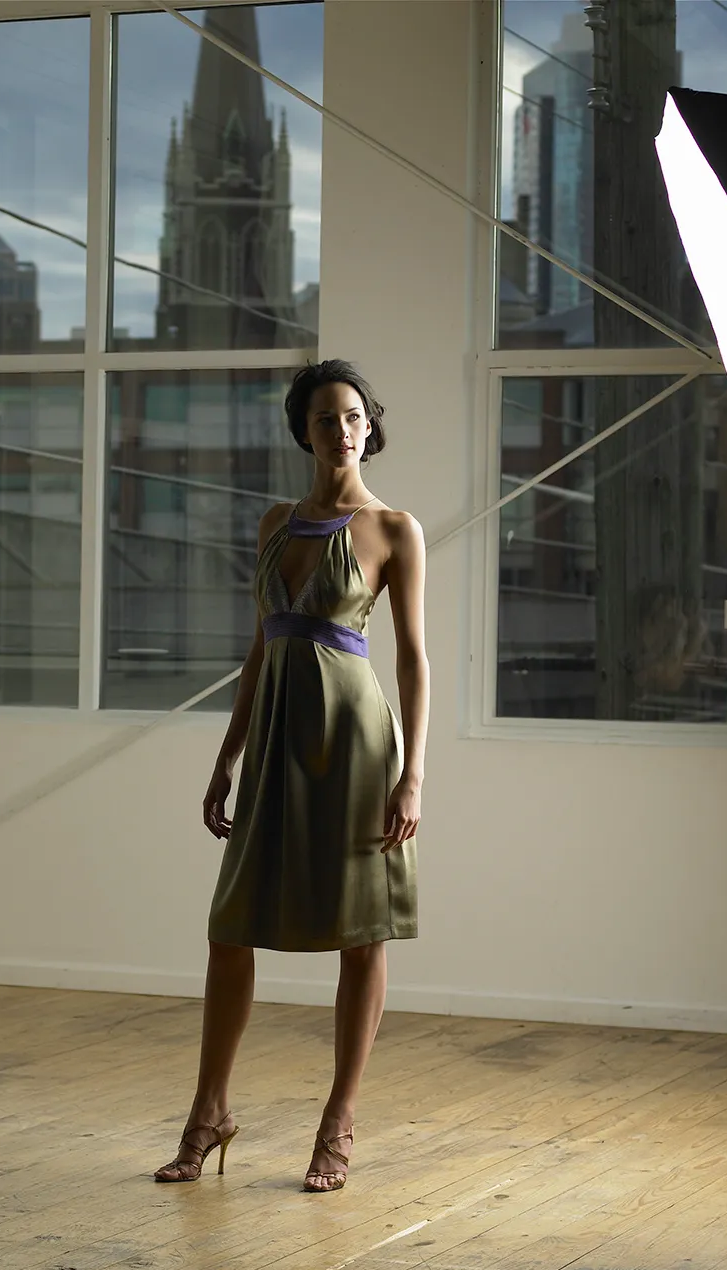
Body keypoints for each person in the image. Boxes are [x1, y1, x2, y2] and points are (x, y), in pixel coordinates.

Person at [155, 359, 428, 1193]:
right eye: (323, 419)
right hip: (274, 740)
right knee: (229, 927)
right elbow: (261, 647)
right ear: (302, 432)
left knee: (361, 930)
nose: (340, 430)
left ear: (369, 427)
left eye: (351, 417)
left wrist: (413, 774)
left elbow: (413, 660)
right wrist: (225, 753)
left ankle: (338, 1123)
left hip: (354, 745)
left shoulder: (393, 528)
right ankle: (210, 1109)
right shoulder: (275, 521)